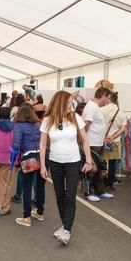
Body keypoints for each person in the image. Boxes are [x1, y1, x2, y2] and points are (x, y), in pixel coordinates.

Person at [40, 91, 93, 245]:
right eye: (69, 102)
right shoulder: (48, 120)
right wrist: (43, 166)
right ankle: (65, 226)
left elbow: (85, 140)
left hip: (73, 161)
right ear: (60, 103)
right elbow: (42, 145)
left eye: (72, 102)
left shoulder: (76, 118)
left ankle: (67, 230)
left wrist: (88, 161)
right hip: (55, 162)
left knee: (70, 196)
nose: (72, 105)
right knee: (60, 196)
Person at [12, 104, 45, 227]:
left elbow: (16, 144)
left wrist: (13, 157)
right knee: (40, 186)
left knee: (27, 188)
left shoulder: (18, 126)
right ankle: (40, 212)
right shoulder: (38, 124)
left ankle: (26, 217)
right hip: (41, 156)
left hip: (28, 156)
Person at [81, 87, 113, 201]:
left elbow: (95, 126)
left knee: (98, 169)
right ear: (103, 95)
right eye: (108, 98)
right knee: (91, 169)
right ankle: (88, 192)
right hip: (91, 143)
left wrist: (103, 138)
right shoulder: (92, 107)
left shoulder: (94, 107)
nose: (108, 101)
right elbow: (86, 125)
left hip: (97, 142)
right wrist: (83, 141)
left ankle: (100, 191)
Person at [100, 92, 127, 192]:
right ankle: (109, 183)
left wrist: (105, 137)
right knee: (112, 163)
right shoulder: (121, 112)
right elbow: (123, 128)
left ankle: (99, 182)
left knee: (101, 161)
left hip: (101, 140)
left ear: (108, 98)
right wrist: (112, 137)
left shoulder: (101, 110)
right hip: (114, 141)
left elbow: (97, 125)